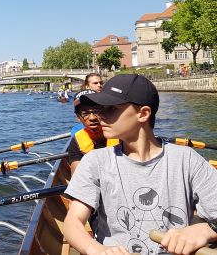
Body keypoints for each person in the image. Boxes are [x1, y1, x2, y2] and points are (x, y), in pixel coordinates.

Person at [64, 74, 217, 255]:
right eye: (100, 108)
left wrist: (206, 230)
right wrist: (96, 249)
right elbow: (72, 223)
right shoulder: (95, 161)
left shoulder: (187, 159)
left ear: (143, 113)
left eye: (110, 109)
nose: (99, 116)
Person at [68, 89, 119, 173]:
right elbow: (78, 179)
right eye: (85, 113)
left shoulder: (121, 135)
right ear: (78, 117)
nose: (92, 118)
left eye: (96, 111)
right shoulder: (76, 142)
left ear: (104, 111)